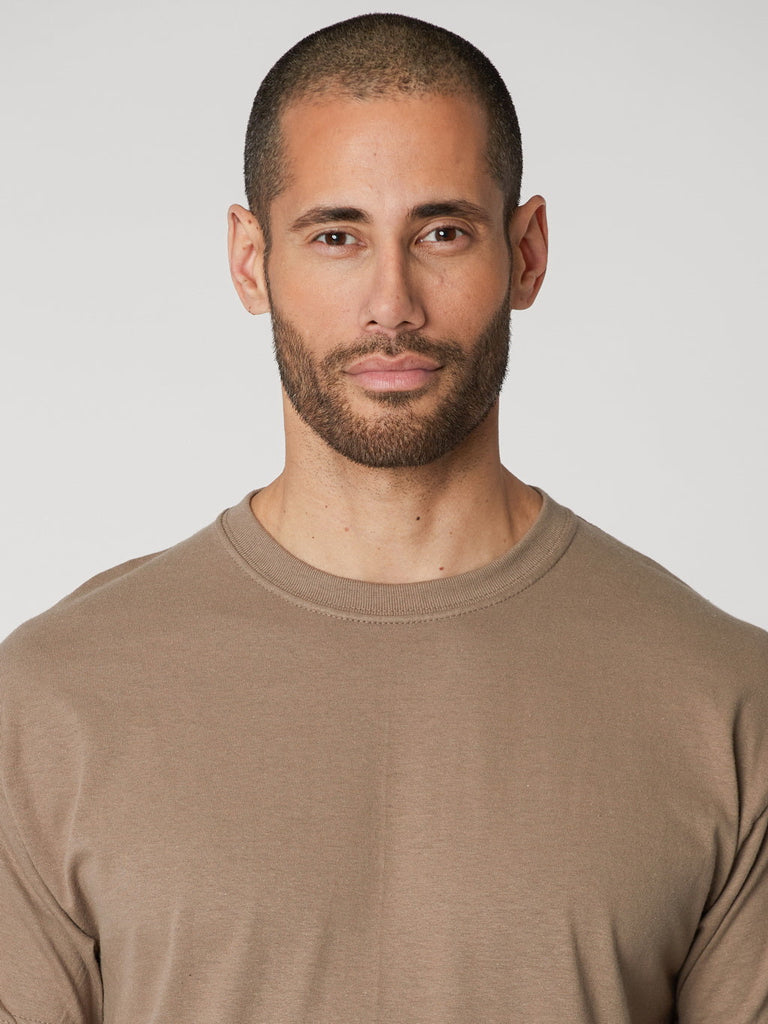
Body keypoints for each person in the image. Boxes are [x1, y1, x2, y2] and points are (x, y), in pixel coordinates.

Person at [1, 12, 766, 1023]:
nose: (392, 303)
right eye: (337, 236)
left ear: (527, 253)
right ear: (250, 260)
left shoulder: (727, 704)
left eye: (442, 232)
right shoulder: (52, 703)